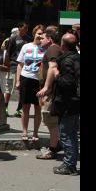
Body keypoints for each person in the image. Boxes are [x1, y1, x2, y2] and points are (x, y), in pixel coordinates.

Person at [39, 33, 80, 175]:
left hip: (68, 102)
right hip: (74, 102)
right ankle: (70, 163)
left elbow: (67, 82)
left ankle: (69, 165)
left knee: (66, 134)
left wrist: (56, 73)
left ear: (63, 45)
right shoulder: (76, 57)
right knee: (71, 133)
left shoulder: (66, 60)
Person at [15, 24, 45, 148]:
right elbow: (20, 64)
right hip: (26, 77)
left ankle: (35, 132)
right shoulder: (26, 46)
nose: (40, 36)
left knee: (38, 107)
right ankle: (25, 131)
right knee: (25, 106)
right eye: (38, 33)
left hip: (39, 81)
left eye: (42, 34)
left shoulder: (46, 48)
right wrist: (18, 80)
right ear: (34, 34)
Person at [35, 28, 63, 160]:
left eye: (43, 38)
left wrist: (46, 87)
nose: (40, 40)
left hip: (51, 91)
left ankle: (53, 148)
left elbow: (53, 67)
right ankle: (56, 144)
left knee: (51, 120)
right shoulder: (54, 49)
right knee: (51, 120)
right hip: (52, 90)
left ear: (50, 39)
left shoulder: (52, 49)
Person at [4, 22, 29, 117]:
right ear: (19, 28)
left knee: (21, 89)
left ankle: (19, 109)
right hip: (13, 65)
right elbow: (8, 53)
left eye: (27, 28)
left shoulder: (28, 39)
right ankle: (5, 107)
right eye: (24, 28)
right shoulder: (13, 38)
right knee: (9, 88)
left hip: (24, 66)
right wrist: (7, 65)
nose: (26, 30)